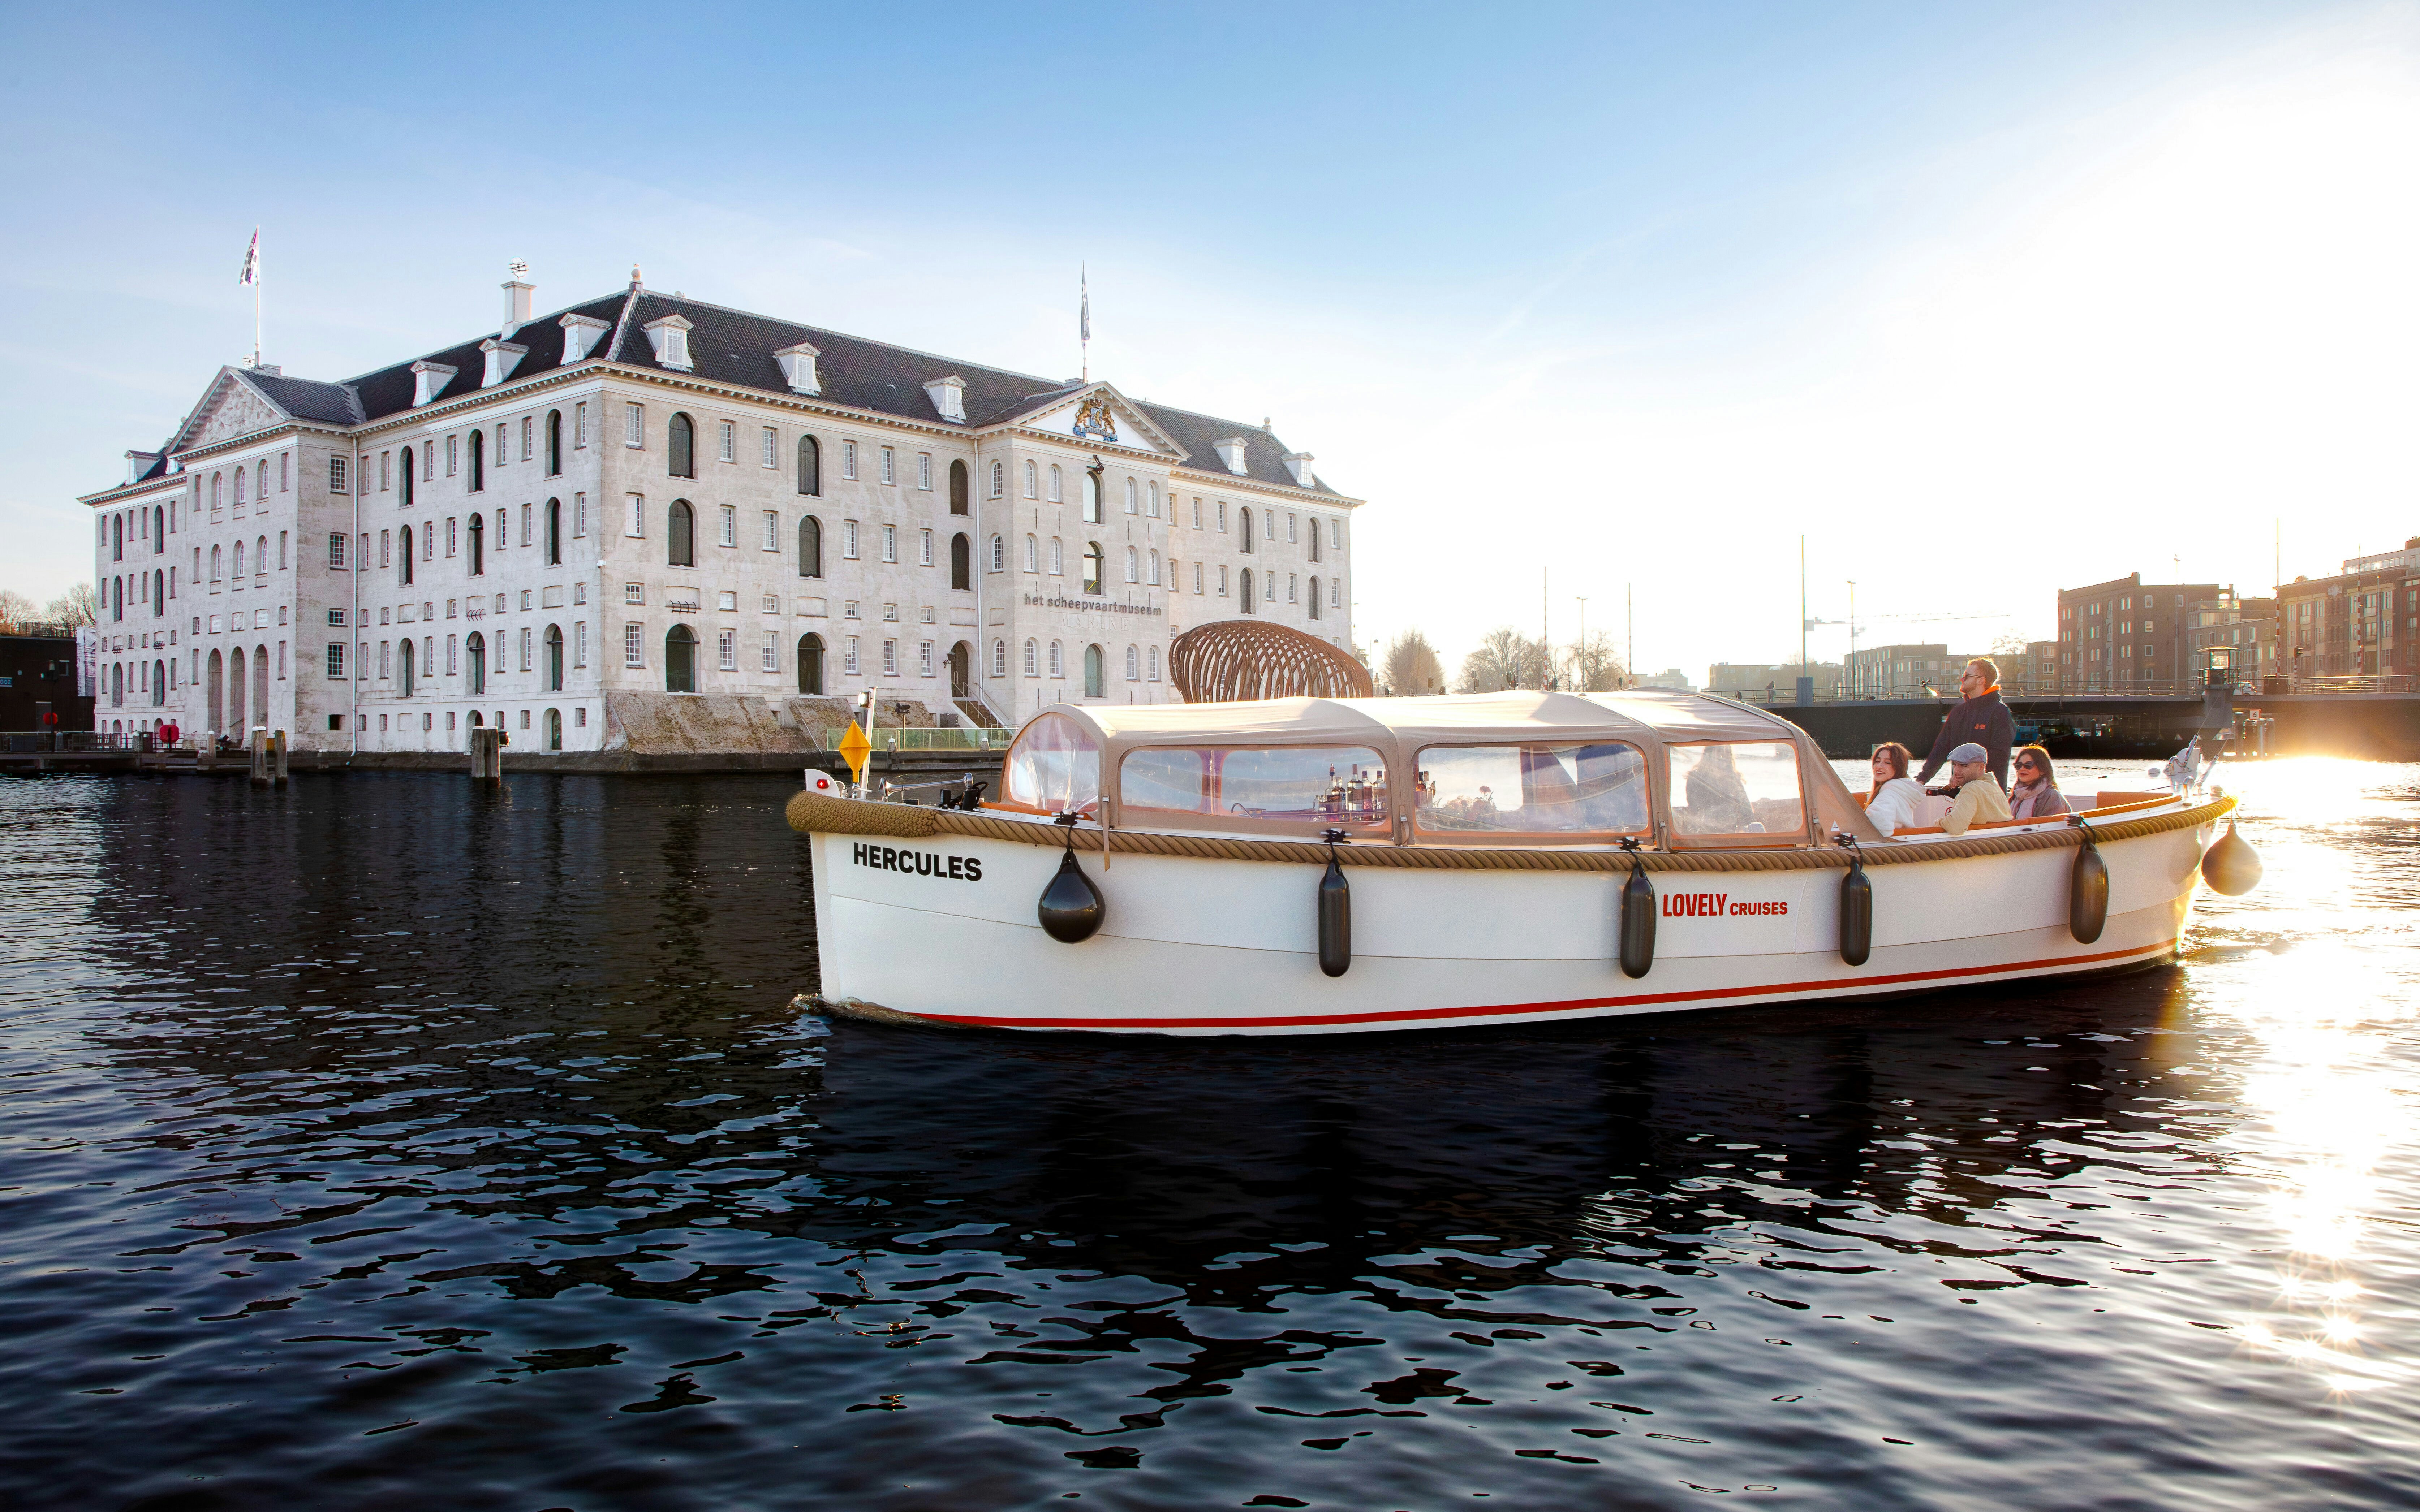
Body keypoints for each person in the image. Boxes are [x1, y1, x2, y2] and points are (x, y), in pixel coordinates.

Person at [1916, 658, 2015, 789]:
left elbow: (2000, 756)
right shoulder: (1958, 712)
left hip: (1988, 794)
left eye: (1967, 677)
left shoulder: (2000, 711)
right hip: (1960, 792)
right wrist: (1921, 780)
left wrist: (1963, 775)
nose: (1962, 679)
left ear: (1981, 680)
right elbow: (1941, 750)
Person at [1938, 741, 2011, 836]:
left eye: (1964, 766)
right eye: (1954, 765)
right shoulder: (1995, 787)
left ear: (1981, 768)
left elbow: (1955, 827)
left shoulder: (1971, 789)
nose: (1956, 771)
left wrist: (1938, 823)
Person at [1863, 740, 1926, 837]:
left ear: (1899, 767)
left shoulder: (1888, 794)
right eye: (1877, 761)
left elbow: (1880, 825)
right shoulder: (1901, 790)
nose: (1879, 766)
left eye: (1887, 763)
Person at [2007, 745, 2070, 819]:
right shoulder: (2016, 796)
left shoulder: (2052, 796)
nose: (2022, 769)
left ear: (2042, 770)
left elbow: (2051, 827)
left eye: (2028, 765)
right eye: (2019, 765)